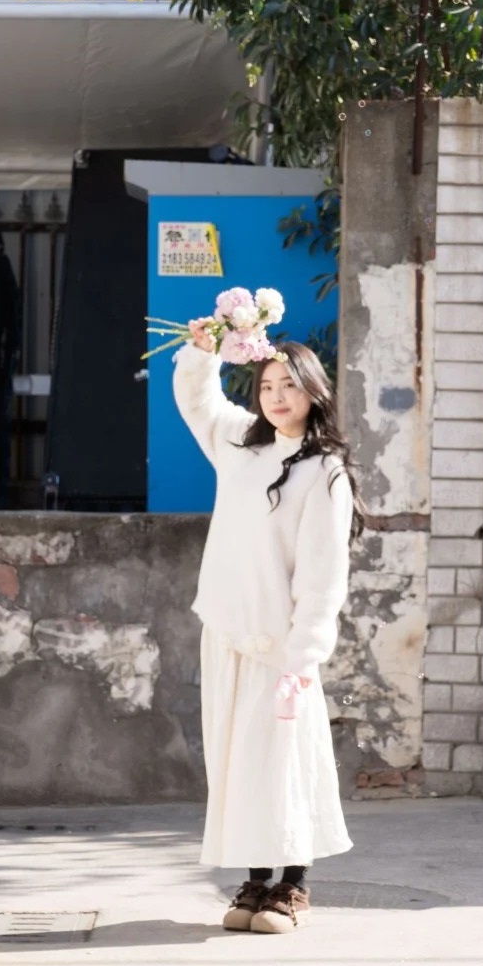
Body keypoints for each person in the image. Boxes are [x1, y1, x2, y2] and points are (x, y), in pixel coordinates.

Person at [172, 327, 363, 935]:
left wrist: (304, 657)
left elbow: (323, 574)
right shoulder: (238, 445)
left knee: (285, 763)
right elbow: (197, 400)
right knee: (239, 765)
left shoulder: (325, 471)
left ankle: (293, 885)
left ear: (313, 392)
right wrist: (203, 350)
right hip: (227, 635)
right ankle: (256, 881)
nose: (277, 397)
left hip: (280, 647)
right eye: (267, 386)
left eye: (290, 386)